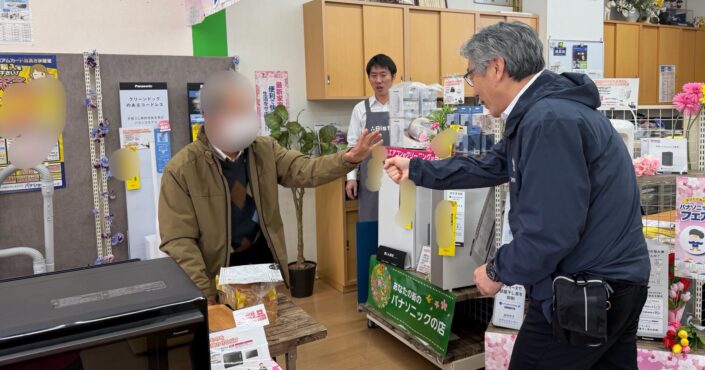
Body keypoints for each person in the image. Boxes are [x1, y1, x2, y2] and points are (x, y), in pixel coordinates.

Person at [384, 22, 650, 369]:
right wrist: (417, 169)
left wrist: (496, 270)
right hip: (618, 281)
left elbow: (551, 231)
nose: (472, 87)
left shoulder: (548, 120)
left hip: (584, 290)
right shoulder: (546, 112)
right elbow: (488, 166)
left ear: (496, 68)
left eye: (471, 75)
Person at [159, 70, 381, 302]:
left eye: (247, 109)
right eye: (236, 111)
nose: (245, 118)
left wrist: (349, 158)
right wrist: (206, 294)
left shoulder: (264, 149)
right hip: (217, 272)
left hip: (261, 264)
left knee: (268, 329)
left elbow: (304, 170)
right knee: (227, 335)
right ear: (209, 115)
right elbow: (179, 240)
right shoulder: (181, 170)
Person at [345, 53, 395, 304]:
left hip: (398, 179)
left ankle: (395, 294)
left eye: (383, 75)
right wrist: (350, 177)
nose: (378, 80)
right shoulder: (360, 109)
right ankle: (368, 296)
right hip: (370, 181)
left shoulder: (401, 107)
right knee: (370, 231)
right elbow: (352, 146)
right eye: (373, 75)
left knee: (398, 231)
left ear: (392, 78)